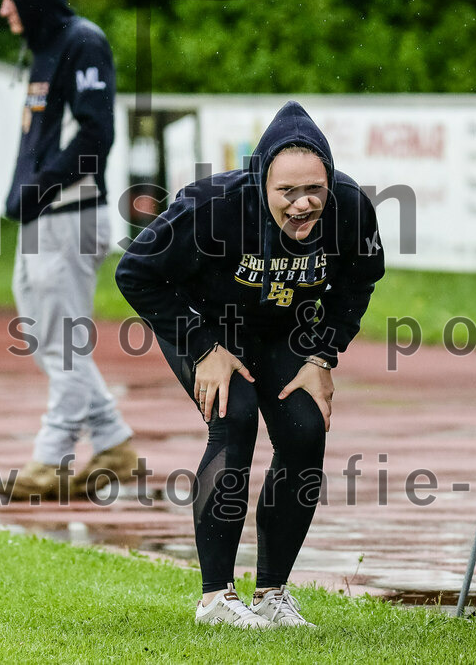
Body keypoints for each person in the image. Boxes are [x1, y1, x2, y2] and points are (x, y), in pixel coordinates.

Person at [116, 101, 384, 628]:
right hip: (208, 326)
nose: (304, 204)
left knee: (306, 429)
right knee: (234, 417)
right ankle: (216, 598)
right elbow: (135, 273)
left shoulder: (350, 205)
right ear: (261, 182)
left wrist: (322, 353)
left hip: (287, 328)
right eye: (287, 192)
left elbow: (360, 280)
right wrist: (200, 346)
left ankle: (272, 595)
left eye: (315, 189)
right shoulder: (210, 205)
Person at [0, 0, 136, 500]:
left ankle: (50, 459)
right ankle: (113, 441)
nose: (4, 11)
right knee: (44, 337)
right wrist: (23, 195)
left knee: (62, 344)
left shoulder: (83, 42)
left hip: (71, 218)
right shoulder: (44, 46)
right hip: (46, 217)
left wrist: (39, 187)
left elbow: (96, 135)